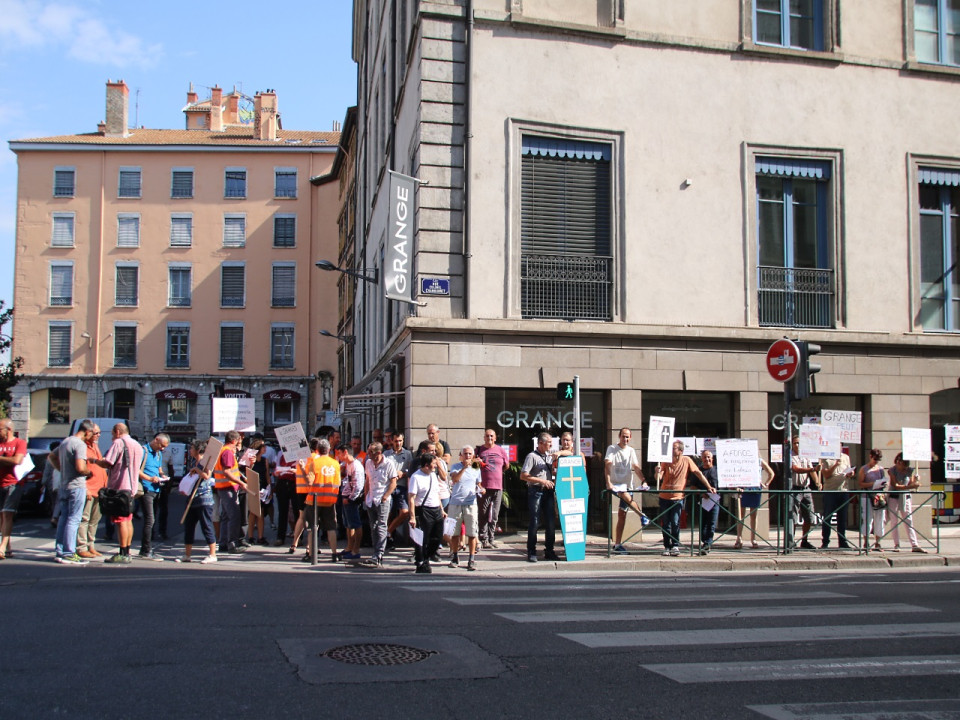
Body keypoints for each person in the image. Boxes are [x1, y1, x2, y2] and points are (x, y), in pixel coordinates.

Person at [654, 440, 715, 557]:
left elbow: (698, 473)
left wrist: (708, 486)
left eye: (674, 448)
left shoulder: (686, 460)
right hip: (664, 496)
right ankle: (667, 546)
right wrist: (657, 472)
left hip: (678, 497)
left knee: (675, 521)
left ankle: (675, 545)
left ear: (680, 451)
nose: (671, 450)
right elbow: (659, 477)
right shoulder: (665, 461)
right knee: (666, 523)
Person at [49, 420, 96, 564]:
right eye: (92, 433)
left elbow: (51, 456)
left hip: (64, 485)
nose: (92, 436)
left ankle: (60, 550)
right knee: (74, 519)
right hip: (76, 486)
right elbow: (80, 467)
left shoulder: (65, 441)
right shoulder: (79, 444)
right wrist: (89, 473)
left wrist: (62, 470)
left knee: (64, 518)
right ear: (87, 432)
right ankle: (69, 552)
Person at [98, 423, 145, 564]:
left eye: (112, 433)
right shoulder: (137, 445)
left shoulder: (119, 443)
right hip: (131, 486)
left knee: (121, 522)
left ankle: (123, 553)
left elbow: (108, 462)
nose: (112, 436)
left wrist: (95, 461)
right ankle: (127, 551)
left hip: (119, 486)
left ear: (117, 432)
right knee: (128, 519)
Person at [604, 427, 650, 554]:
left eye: (628, 437)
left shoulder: (630, 451)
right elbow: (607, 464)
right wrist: (608, 483)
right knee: (624, 495)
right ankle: (642, 516)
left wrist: (643, 480)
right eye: (623, 436)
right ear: (619, 436)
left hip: (627, 484)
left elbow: (636, 467)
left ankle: (618, 544)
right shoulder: (612, 449)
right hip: (616, 484)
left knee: (622, 515)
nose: (625, 439)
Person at [176, 439, 217, 564]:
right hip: (192, 498)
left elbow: (207, 475)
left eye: (192, 448)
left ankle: (212, 554)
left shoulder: (206, 461)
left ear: (198, 449)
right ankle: (187, 554)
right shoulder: (195, 461)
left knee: (206, 525)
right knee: (189, 526)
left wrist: (197, 470)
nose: (190, 450)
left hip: (204, 498)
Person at [301, 438, 340, 563]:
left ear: (317, 450)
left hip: (314, 500)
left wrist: (302, 469)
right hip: (330, 500)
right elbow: (338, 482)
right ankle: (334, 554)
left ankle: (311, 554)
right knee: (331, 527)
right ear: (329, 449)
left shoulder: (314, 463)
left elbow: (309, 482)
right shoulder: (335, 463)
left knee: (313, 527)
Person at [521, 432, 559, 563]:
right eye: (549, 443)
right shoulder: (532, 456)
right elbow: (523, 475)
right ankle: (531, 551)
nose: (551, 445)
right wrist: (542, 481)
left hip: (548, 492)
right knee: (535, 521)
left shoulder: (549, 456)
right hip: (536, 491)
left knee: (550, 522)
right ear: (541, 443)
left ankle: (549, 550)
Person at [447, 445, 484, 571]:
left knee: (472, 532)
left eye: (470, 454)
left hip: (471, 503)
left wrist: (481, 489)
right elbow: (455, 479)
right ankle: (455, 556)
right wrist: (464, 467)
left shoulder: (476, 467)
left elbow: (478, 483)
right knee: (455, 533)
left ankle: (471, 558)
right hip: (456, 503)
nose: (468, 456)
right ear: (461, 455)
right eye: (465, 454)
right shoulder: (455, 467)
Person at [408, 453, 446, 573]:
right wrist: (412, 517)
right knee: (423, 539)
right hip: (423, 509)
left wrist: (442, 509)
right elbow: (411, 498)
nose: (435, 466)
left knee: (437, 537)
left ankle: (426, 557)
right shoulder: (416, 477)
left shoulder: (433, 475)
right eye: (433, 464)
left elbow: (436, 493)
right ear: (426, 465)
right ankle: (422, 562)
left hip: (436, 509)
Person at [363, 442, 398, 567]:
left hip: (383, 498)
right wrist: (366, 495)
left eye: (370, 452)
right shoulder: (368, 463)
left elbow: (393, 482)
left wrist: (385, 496)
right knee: (373, 526)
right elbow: (367, 480)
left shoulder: (388, 464)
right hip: (371, 498)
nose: (368, 454)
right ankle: (375, 551)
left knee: (382, 525)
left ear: (378, 453)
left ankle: (379, 553)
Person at [214, 430, 249, 555]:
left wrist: (242, 477)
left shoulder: (223, 450)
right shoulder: (228, 452)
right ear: (235, 440)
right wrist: (241, 483)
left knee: (226, 516)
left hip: (223, 487)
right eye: (239, 440)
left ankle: (223, 543)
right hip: (228, 487)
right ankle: (232, 544)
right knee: (234, 516)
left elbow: (231, 469)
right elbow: (227, 472)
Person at [138, 432, 170, 560]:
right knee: (149, 519)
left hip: (156, 489)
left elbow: (159, 468)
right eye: (162, 445)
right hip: (146, 489)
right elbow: (137, 470)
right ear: (156, 440)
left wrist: (162, 475)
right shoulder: (143, 451)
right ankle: (146, 549)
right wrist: (150, 478)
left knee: (152, 519)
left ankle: (146, 547)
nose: (162, 448)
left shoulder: (158, 453)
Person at [77, 424, 107, 559]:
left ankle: (91, 545)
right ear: (88, 433)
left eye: (100, 432)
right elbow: (80, 469)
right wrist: (85, 488)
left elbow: (99, 466)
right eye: (96, 433)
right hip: (89, 488)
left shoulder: (95, 446)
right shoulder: (82, 447)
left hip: (99, 488)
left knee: (95, 520)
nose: (98, 435)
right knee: (84, 519)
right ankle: (81, 546)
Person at [476, 428, 509, 550]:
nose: (489, 438)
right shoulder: (479, 450)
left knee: (494, 514)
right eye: (487, 436)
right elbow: (472, 466)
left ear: (495, 438)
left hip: (498, 486)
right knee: (483, 514)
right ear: (484, 437)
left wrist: (498, 473)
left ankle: (491, 538)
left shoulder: (500, 450)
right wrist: (477, 462)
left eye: (491, 436)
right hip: (484, 487)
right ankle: (483, 539)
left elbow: (507, 465)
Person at [888, 452, 926, 553]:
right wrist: (910, 487)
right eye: (899, 462)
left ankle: (914, 544)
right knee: (894, 520)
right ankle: (896, 544)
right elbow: (895, 485)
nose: (900, 464)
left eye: (903, 463)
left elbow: (912, 483)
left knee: (908, 519)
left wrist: (916, 481)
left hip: (905, 497)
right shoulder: (892, 470)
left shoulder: (909, 471)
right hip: (894, 496)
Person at [0, 418, 27, 560]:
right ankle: (8, 546)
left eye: (0, 429)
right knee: (1, 516)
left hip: (13, 483)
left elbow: (17, 460)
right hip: (0, 483)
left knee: (7, 514)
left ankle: (2, 547)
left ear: (9, 429)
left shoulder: (19, 443)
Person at [736, 457, 775, 549]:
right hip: (743, 489)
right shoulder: (741, 460)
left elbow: (771, 473)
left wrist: (766, 484)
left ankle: (753, 539)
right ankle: (739, 538)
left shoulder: (759, 460)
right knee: (741, 515)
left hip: (755, 489)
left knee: (753, 515)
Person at [820, 448, 854, 549]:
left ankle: (842, 541)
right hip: (830, 491)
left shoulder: (846, 457)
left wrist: (850, 474)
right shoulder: (826, 458)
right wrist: (835, 465)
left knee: (842, 518)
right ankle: (825, 541)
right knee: (827, 517)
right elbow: (826, 475)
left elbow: (849, 470)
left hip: (843, 491)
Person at [335, 443, 365, 560]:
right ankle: (349, 547)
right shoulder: (348, 464)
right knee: (348, 524)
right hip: (346, 496)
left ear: (345, 452)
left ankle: (355, 550)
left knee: (355, 524)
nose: (339, 456)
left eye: (340, 454)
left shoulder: (356, 466)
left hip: (351, 499)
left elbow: (358, 485)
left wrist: (350, 498)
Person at [789, 435, 819, 550]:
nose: (797, 445)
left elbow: (812, 471)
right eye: (795, 443)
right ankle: (791, 541)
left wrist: (817, 482)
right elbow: (796, 469)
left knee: (809, 516)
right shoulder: (790, 455)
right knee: (793, 516)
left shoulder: (806, 456)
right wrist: (811, 470)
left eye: (799, 443)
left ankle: (805, 540)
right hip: (795, 489)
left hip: (806, 488)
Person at [384, 432, 413, 548]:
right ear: (392, 441)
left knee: (404, 512)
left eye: (400, 441)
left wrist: (403, 473)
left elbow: (411, 470)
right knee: (388, 514)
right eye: (396, 441)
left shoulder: (408, 454)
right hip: (389, 486)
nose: (398, 443)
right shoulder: (386, 454)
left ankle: (388, 531)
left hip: (402, 487)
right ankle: (388, 539)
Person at [857, 448, 887, 552]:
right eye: (875, 459)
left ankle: (878, 543)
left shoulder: (880, 469)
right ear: (870, 456)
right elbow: (860, 483)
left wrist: (883, 484)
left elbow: (883, 481)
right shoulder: (864, 469)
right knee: (867, 519)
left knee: (880, 519)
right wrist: (873, 484)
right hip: (867, 496)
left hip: (878, 496)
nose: (876, 462)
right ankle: (866, 542)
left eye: (878, 460)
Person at [273, 451, 300, 547]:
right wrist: (278, 471)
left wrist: (295, 471)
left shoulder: (299, 453)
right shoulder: (280, 453)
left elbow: (303, 468)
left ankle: (298, 537)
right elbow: (276, 469)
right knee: (282, 511)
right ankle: (280, 537)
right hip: (282, 482)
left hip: (295, 482)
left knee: (297, 511)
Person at [246, 439, 270, 546]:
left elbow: (267, 474)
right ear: (258, 448)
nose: (265, 448)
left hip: (263, 488)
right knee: (252, 513)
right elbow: (247, 472)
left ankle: (261, 536)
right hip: (253, 487)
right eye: (263, 446)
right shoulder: (251, 458)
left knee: (261, 513)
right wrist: (251, 463)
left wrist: (270, 487)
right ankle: (250, 537)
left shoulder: (265, 460)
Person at [697, 450, 720, 555]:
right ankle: (705, 542)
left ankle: (707, 544)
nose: (707, 459)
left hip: (715, 501)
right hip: (702, 501)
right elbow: (692, 486)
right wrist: (701, 493)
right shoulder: (698, 471)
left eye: (708, 457)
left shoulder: (718, 470)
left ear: (712, 458)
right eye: (705, 457)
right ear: (701, 459)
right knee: (702, 524)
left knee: (712, 524)